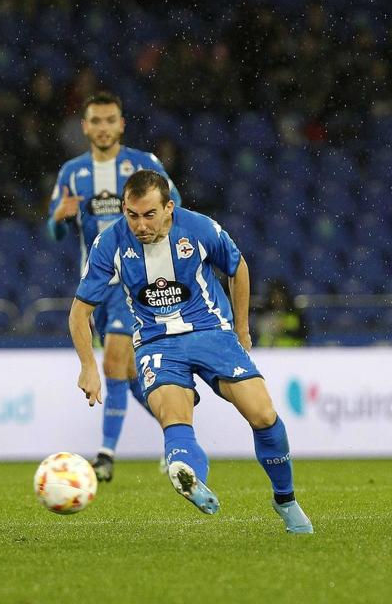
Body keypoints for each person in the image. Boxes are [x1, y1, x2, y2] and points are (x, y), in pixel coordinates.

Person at [69, 170, 312, 534]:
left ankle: (285, 499)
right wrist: (88, 365)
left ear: (169, 207)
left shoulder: (200, 228)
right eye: (132, 215)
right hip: (156, 343)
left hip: (211, 332)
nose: (140, 225)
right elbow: (79, 311)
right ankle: (188, 475)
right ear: (124, 209)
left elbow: (238, 268)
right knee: (173, 415)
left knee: (262, 415)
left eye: (149, 214)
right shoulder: (110, 243)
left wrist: (242, 329)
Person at [47, 92, 182, 482]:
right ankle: (176, 430)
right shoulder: (72, 172)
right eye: (96, 121)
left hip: (137, 280)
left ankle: (105, 456)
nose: (103, 128)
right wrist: (58, 217)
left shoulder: (144, 165)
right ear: (85, 127)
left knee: (111, 363)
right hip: (96, 283)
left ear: (121, 124)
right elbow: (54, 231)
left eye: (110, 120)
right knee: (128, 373)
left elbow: (177, 207)